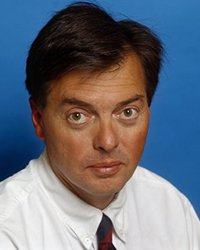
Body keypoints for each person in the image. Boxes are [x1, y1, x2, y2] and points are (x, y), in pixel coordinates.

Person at [0, 2, 199, 249]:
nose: (107, 142)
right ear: (38, 119)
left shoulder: (171, 209)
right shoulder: (7, 231)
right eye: (78, 116)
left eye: (127, 112)